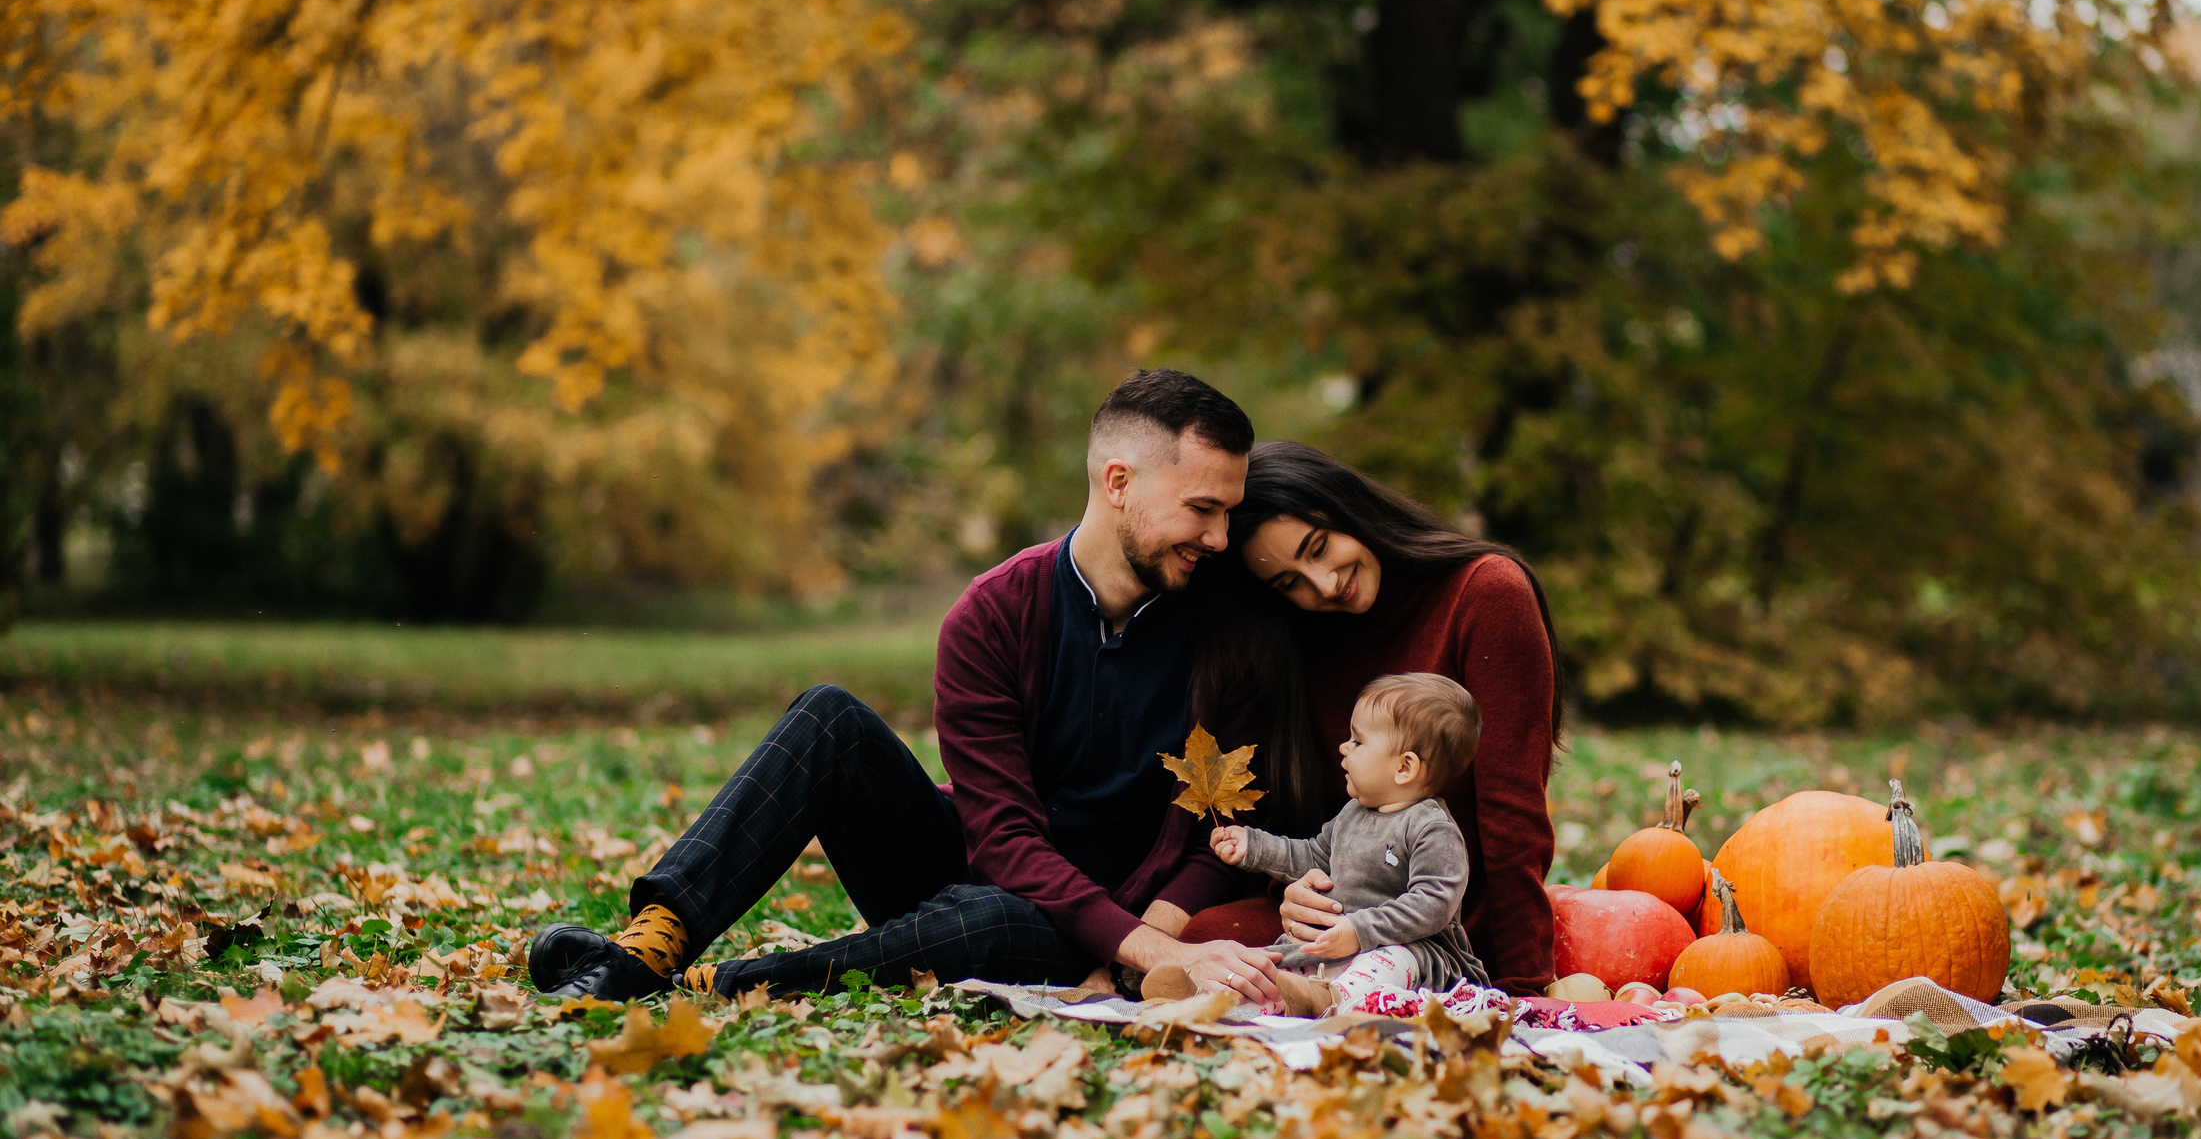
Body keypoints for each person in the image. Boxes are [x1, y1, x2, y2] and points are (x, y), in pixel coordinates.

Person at [525, 370, 1292, 1006]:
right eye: (1202, 509)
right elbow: (1001, 838)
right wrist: (1153, 949)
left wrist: (1143, 944)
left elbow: (1218, 832)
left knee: (990, 921)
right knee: (830, 717)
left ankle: (720, 981)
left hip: (1073, 919)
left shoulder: (1224, 631)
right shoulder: (992, 615)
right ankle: (652, 941)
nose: (1222, 539)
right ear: (1118, 481)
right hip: (978, 864)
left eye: (1229, 512)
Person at [1193, 441, 1560, 995]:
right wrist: (1296, 896)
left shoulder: (1485, 593)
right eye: (1289, 583)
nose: (1322, 584)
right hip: (1338, 924)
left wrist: (1525, 985)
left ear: (1348, 506)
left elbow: (1514, 820)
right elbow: (1320, 830)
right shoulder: (1298, 645)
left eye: (1318, 547)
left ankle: (1314, 998)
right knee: (1208, 935)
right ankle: (1297, 994)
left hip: (1440, 924)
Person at [1148, 672, 1490, 1017]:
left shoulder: (1432, 829)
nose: (1344, 747)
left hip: (1414, 955)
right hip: (1333, 945)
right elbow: (1312, 856)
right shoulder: (1353, 814)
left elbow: (1432, 904)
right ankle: (1208, 996)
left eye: (1357, 741)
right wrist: (1252, 846)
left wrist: (1359, 930)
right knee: (1275, 960)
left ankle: (1329, 999)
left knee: (1386, 962)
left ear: (1404, 767)